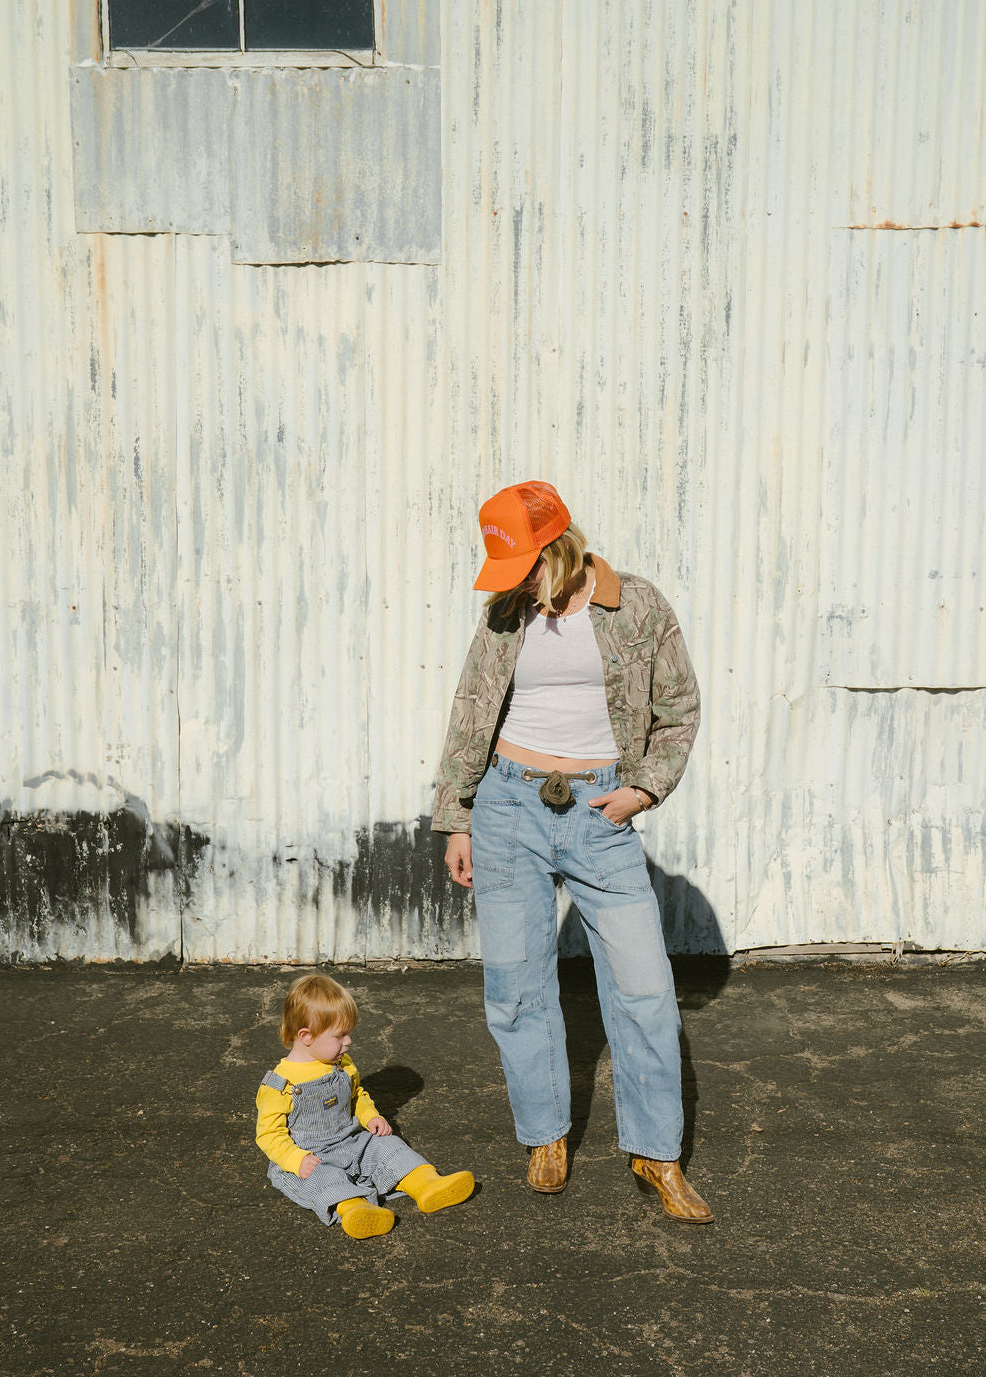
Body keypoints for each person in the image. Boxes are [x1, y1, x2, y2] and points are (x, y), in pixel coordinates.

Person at [433, 480, 712, 1224]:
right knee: (517, 988)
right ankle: (545, 1136)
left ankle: (657, 1154)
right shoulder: (506, 612)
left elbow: (679, 710)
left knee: (647, 989)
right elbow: (470, 711)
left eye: (523, 565)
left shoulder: (637, 606)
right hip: (507, 807)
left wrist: (644, 790)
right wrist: (457, 816)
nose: (515, 583)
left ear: (557, 549)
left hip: (598, 812)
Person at [255, 973, 474, 1239]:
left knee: (388, 1146)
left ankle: (427, 1184)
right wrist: (295, 1159)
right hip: (311, 1157)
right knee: (323, 1181)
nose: (348, 1042)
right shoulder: (281, 1085)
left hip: (352, 1141)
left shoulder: (342, 1065)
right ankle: (355, 1209)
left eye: (349, 1033)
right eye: (340, 1035)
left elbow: (356, 1095)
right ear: (306, 1036)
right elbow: (268, 1135)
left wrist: (370, 1115)